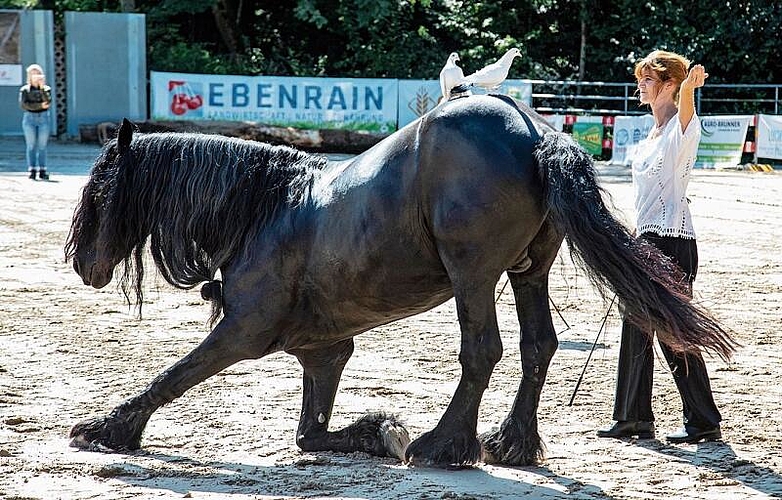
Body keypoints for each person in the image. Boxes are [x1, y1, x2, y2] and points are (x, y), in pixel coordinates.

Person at [597, 50, 722, 444]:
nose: (641, 86)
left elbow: (685, 111)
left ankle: (695, 419)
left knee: (671, 330)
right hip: (648, 237)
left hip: (672, 240)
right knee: (641, 323)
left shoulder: (681, 128)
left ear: (668, 85)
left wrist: (688, 90)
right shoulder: (650, 134)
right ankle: (640, 416)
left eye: (648, 80)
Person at [19, 64, 52, 180]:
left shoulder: (46, 89)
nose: (35, 76)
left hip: (43, 118)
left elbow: (48, 102)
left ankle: (42, 169)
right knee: (31, 145)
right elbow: (24, 105)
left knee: (42, 145)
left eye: (37, 73)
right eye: (33, 73)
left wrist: (42, 87)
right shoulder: (25, 90)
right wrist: (39, 105)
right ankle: (32, 169)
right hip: (29, 118)